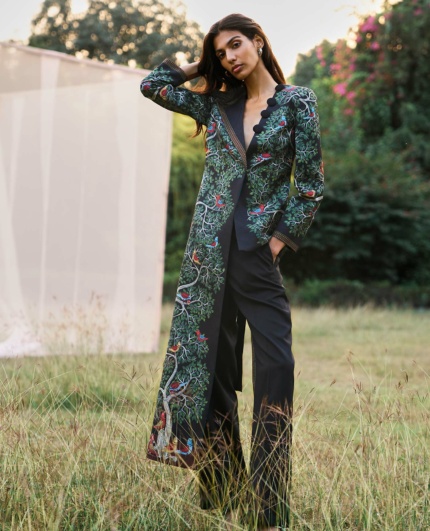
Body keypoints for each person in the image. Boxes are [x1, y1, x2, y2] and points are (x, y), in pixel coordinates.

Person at [140, 13, 324, 530]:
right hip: (207, 255)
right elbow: (152, 86)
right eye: (221, 52)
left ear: (259, 41)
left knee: (276, 368)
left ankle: (270, 507)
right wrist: (199, 66)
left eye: (236, 45)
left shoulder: (298, 102)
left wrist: (276, 243)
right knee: (213, 374)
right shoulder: (215, 103)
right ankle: (222, 492)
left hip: (257, 255)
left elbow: (310, 185)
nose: (231, 57)